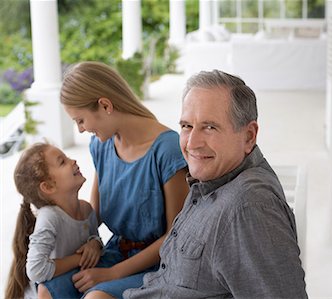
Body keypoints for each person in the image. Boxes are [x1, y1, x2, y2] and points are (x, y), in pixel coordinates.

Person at [124, 70, 308, 298]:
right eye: (186, 126)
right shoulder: (213, 179)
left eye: (210, 127)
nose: (192, 143)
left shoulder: (248, 209)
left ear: (249, 136)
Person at [59, 61, 189, 299]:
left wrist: (112, 274)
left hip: (156, 266)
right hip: (116, 252)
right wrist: (92, 242)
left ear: (105, 105)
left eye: (80, 120)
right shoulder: (102, 144)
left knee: (95, 297)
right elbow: (95, 213)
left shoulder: (168, 150)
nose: (80, 130)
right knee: (50, 286)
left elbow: (174, 237)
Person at [5, 142, 102, 299]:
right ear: (48, 187)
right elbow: (36, 269)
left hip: (75, 279)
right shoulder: (50, 217)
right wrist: (79, 259)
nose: (73, 161)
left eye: (67, 157)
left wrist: (94, 244)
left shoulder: (86, 209)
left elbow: (94, 236)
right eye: (62, 162)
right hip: (50, 288)